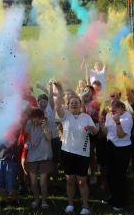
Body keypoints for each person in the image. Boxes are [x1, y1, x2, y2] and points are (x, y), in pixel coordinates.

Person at [55, 82, 98, 215]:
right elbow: (57, 107)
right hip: (67, 154)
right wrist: (60, 90)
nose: (74, 104)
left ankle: (85, 206)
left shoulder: (86, 117)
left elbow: (95, 131)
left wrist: (93, 129)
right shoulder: (65, 116)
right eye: (71, 103)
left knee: (82, 182)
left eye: (76, 102)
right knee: (70, 181)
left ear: (80, 105)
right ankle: (71, 204)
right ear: (67, 106)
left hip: (82, 155)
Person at [101, 99, 133, 211]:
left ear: (121, 107)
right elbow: (106, 133)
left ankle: (121, 201)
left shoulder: (127, 117)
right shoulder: (109, 115)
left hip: (122, 148)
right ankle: (113, 196)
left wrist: (118, 122)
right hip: (111, 146)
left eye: (114, 111)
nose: (111, 113)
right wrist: (102, 125)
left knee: (119, 175)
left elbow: (121, 135)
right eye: (110, 111)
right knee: (110, 174)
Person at [22, 108, 54, 209]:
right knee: (34, 182)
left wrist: (44, 127)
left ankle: (44, 200)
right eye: (33, 121)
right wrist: (27, 144)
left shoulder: (48, 121)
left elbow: (49, 138)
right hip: (32, 155)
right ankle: (36, 199)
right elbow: (28, 138)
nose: (35, 123)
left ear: (42, 118)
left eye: (37, 121)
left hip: (45, 155)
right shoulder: (29, 123)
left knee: (43, 182)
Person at [37, 82, 61, 192]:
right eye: (40, 102)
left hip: (54, 139)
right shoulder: (37, 112)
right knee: (45, 163)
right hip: (43, 141)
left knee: (54, 163)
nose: (42, 103)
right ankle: (47, 183)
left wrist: (50, 87)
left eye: (44, 101)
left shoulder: (50, 109)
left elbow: (51, 97)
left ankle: (56, 183)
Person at [0, 119, 21, 210]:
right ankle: (4, 199)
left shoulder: (16, 128)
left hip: (11, 159)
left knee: (11, 181)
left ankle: (13, 199)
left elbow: (10, 141)